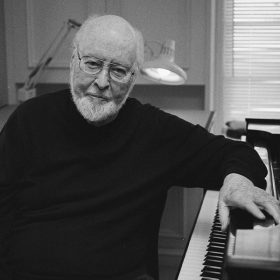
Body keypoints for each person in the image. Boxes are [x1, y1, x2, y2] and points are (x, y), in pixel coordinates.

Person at [0, 14, 279, 280]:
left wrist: (237, 182)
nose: (102, 82)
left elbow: (239, 153)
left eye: (118, 71)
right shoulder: (30, 119)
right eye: (93, 64)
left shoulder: (154, 130)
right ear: (74, 61)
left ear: (133, 78)